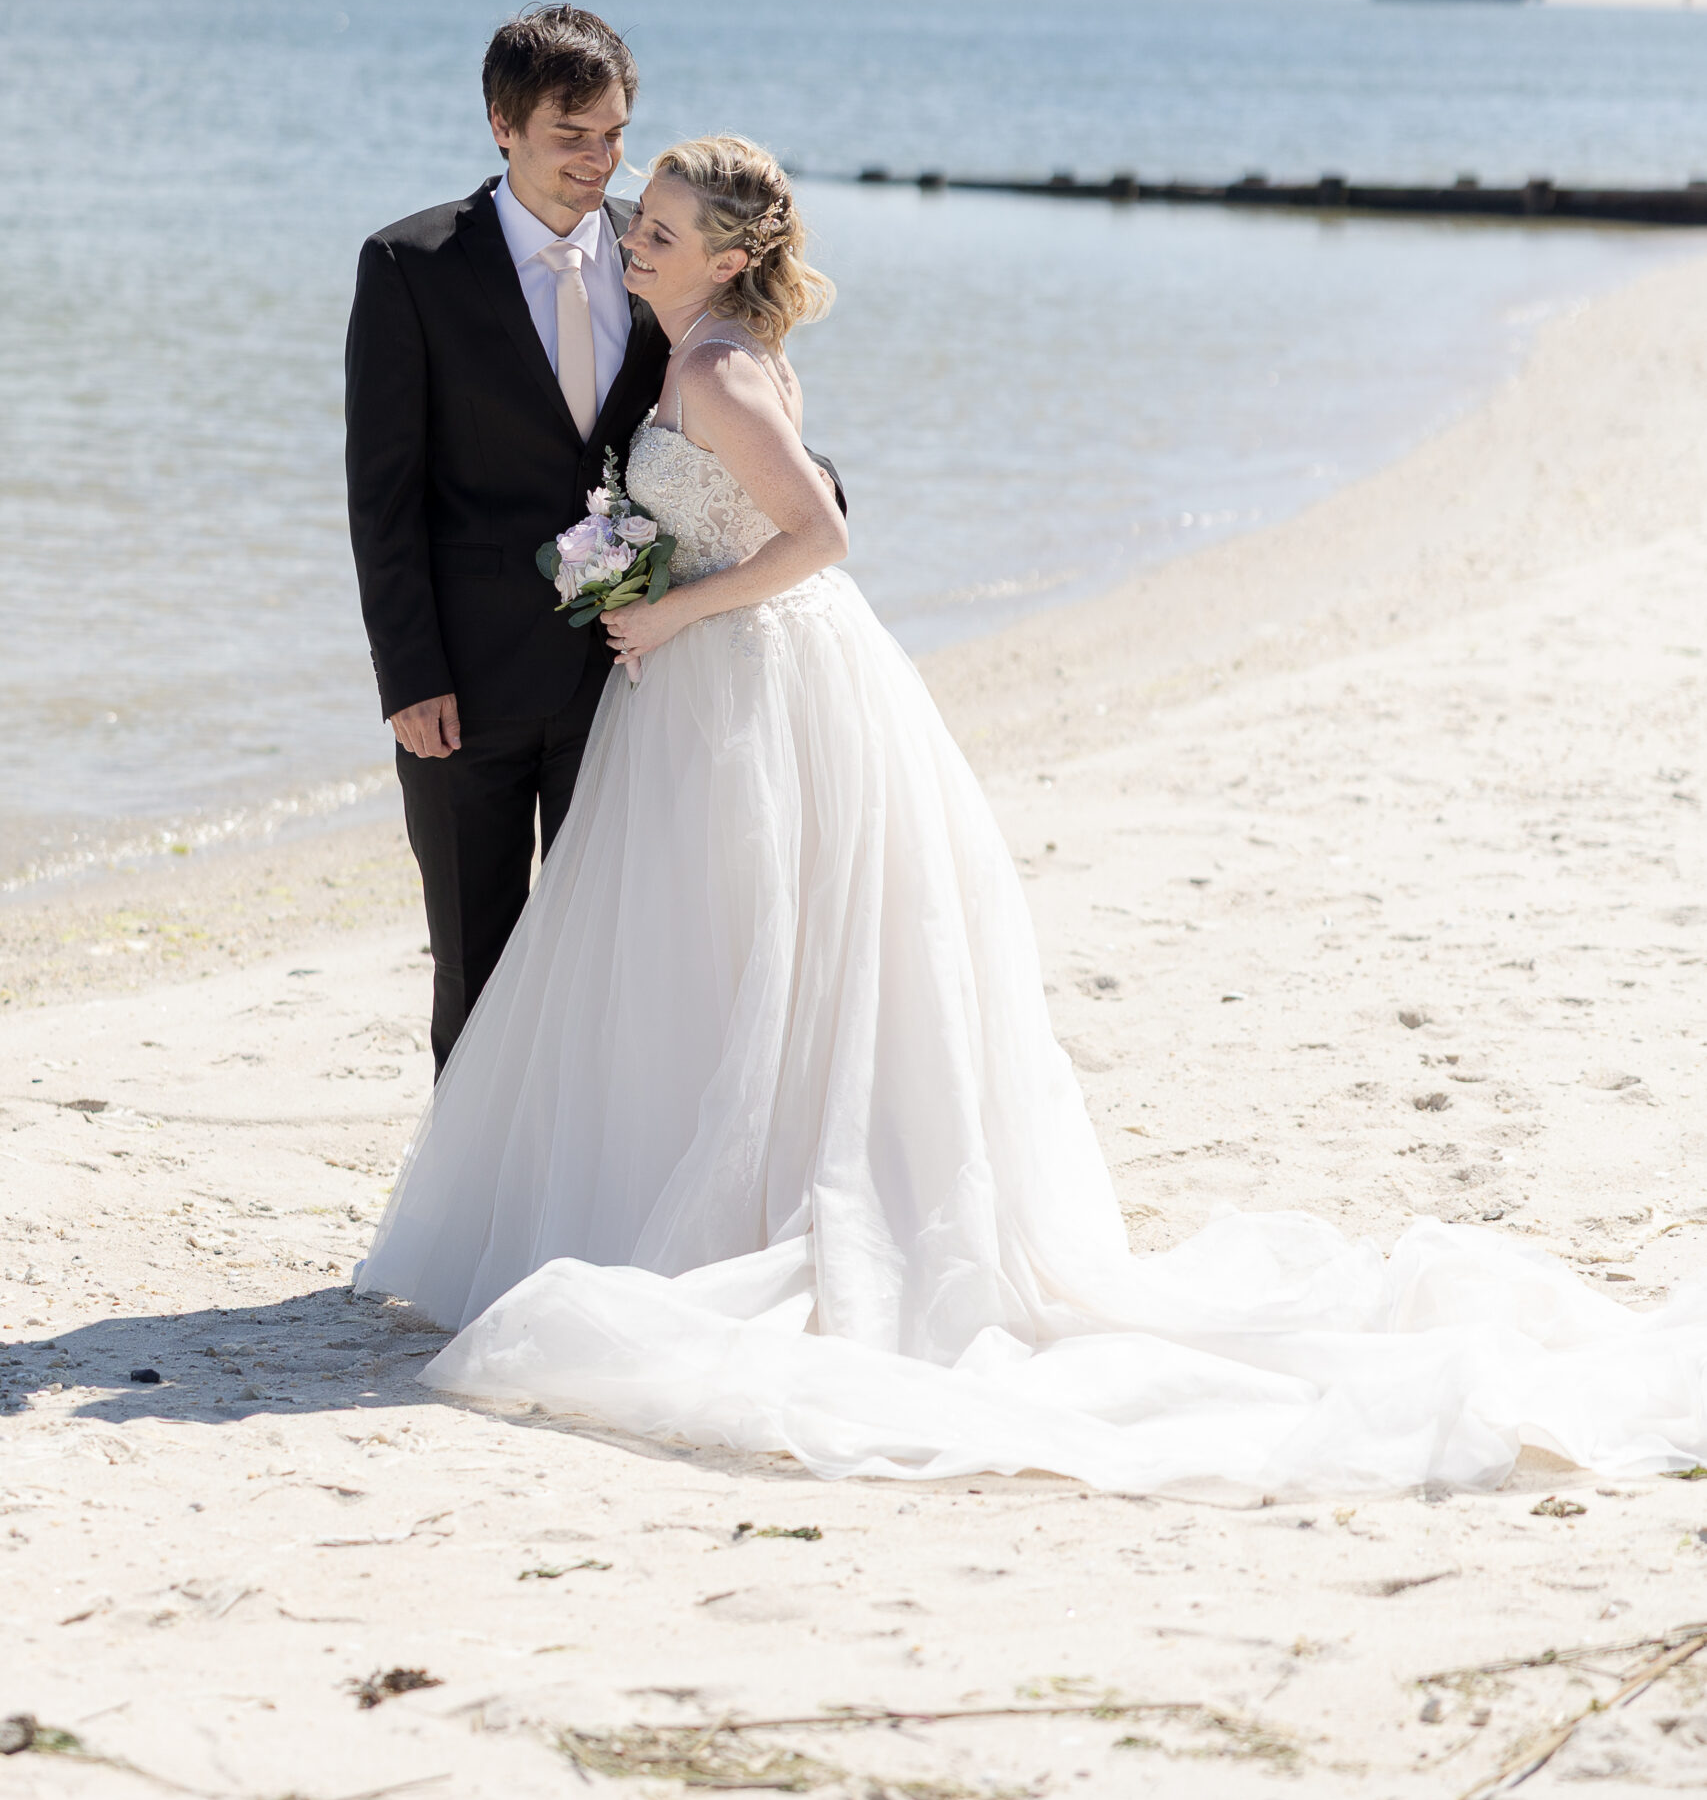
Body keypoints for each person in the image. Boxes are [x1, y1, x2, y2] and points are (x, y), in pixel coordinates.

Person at [356, 138, 1707, 1495]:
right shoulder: (695, 355)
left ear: (724, 255)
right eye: (637, 222)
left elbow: (819, 533)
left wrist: (664, 604)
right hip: (712, 685)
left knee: (755, 950)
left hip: (752, 678)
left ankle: (739, 1224)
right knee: (724, 957)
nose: (632, 239)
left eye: (657, 227)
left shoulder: (708, 367)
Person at [344, 6, 671, 1073]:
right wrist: (410, 676)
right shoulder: (411, 264)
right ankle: (468, 1226)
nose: (599, 159)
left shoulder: (657, 255)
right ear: (502, 124)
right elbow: (381, 496)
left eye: (615, 133)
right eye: (572, 133)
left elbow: (728, 413)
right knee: (476, 971)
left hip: (621, 681)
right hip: (464, 693)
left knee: (608, 961)